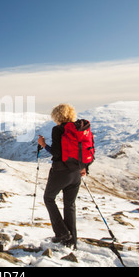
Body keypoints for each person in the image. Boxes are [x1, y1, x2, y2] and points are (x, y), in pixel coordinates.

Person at [37, 103, 86, 249]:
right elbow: (85, 150)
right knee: (69, 205)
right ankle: (72, 241)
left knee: (48, 198)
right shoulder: (79, 129)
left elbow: (57, 153)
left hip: (60, 172)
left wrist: (43, 144)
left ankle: (62, 233)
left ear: (57, 116)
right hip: (76, 173)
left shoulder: (58, 129)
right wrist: (84, 167)